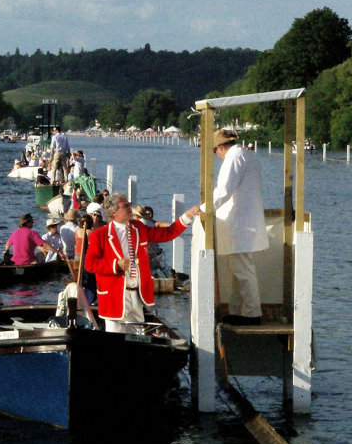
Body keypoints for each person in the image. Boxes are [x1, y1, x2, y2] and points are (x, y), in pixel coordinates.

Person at [84, 193, 201, 333]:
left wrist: (187, 216)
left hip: (137, 296)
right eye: (125, 205)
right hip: (114, 298)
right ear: (114, 213)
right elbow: (90, 264)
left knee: (137, 339)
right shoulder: (100, 235)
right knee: (115, 342)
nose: (130, 207)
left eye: (129, 204)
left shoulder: (138, 227)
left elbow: (168, 233)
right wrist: (116, 265)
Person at [208, 129, 269, 325]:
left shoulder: (233, 159)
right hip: (244, 222)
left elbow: (224, 190)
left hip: (240, 224)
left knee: (243, 270)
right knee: (239, 270)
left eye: (214, 152)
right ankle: (238, 310)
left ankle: (252, 313)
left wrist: (203, 208)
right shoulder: (247, 156)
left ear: (219, 148)